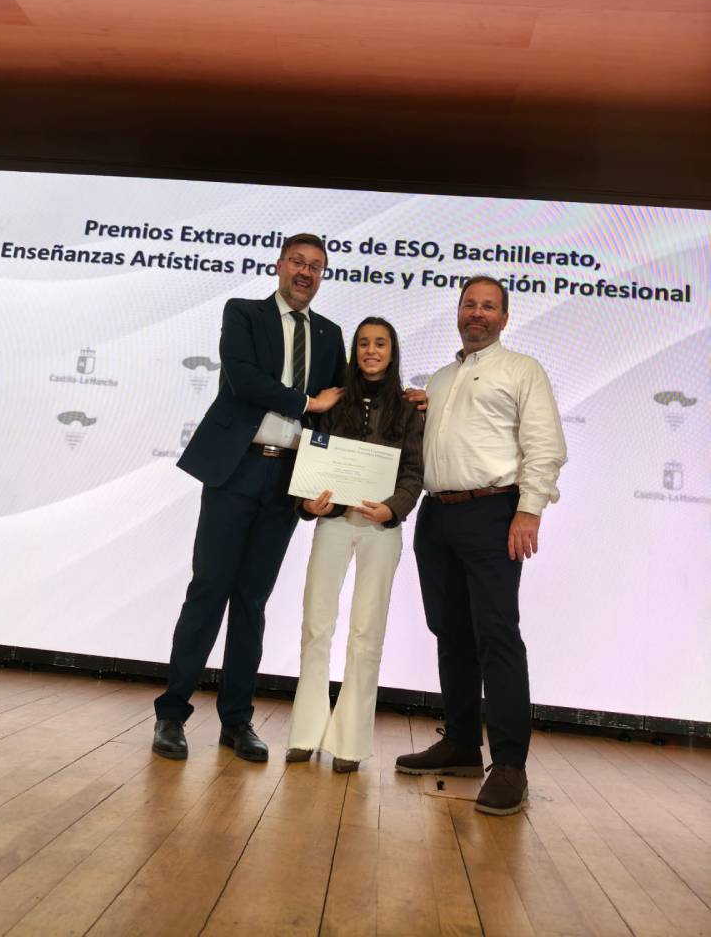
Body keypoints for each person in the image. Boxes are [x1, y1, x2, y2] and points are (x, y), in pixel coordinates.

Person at [152, 233, 346, 763]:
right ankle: (172, 715)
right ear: (280, 266)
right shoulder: (242, 313)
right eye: (297, 262)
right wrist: (306, 402)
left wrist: (411, 398)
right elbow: (243, 380)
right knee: (208, 591)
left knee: (252, 603)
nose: (305, 272)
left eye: (315, 266)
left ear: (322, 275)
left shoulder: (330, 334)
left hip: (286, 479)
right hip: (236, 469)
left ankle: (237, 722)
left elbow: (342, 405)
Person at [396, 276, 566, 815]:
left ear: (504, 318)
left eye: (488, 306)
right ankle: (463, 744)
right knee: (450, 632)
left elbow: (545, 445)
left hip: (494, 512)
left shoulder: (522, 370)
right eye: (469, 304)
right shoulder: (442, 378)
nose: (477, 313)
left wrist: (529, 509)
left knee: (496, 635)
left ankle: (510, 765)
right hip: (437, 516)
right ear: (458, 312)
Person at [285, 318, 424, 772]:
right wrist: (309, 503)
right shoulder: (334, 403)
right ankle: (305, 733)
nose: (371, 350)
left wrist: (394, 508)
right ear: (354, 351)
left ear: (392, 351)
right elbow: (312, 461)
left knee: (366, 633)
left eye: (380, 343)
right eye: (363, 343)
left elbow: (413, 473)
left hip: (380, 528)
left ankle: (349, 742)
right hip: (334, 524)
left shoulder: (408, 409)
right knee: (316, 625)